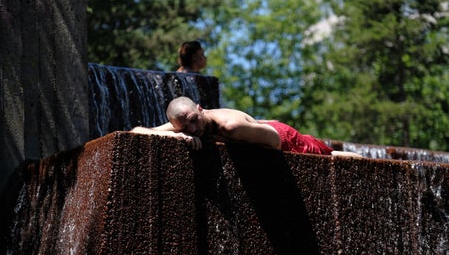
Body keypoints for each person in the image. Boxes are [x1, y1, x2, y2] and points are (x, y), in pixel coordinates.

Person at [131, 97, 362, 157]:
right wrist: (178, 138)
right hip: (262, 129)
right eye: (184, 127)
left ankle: (362, 160)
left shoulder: (229, 126)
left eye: (193, 120)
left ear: (200, 109)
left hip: (283, 138)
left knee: (333, 157)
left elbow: (271, 143)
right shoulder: (187, 127)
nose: (192, 129)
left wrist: (223, 142)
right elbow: (137, 132)